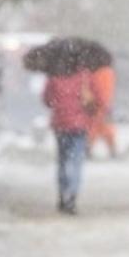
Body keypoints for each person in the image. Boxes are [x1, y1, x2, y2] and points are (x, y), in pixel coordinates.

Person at [43, 68, 100, 214]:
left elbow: (47, 100)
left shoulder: (55, 75)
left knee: (62, 161)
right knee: (76, 162)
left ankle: (62, 195)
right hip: (79, 125)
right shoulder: (86, 75)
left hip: (61, 125)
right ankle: (72, 196)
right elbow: (97, 99)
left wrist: (60, 103)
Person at [86, 64, 118, 158]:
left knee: (94, 129)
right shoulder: (107, 73)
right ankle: (112, 151)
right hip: (100, 107)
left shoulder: (93, 72)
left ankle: (88, 150)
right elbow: (105, 91)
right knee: (104, 130)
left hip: (96, 107)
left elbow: (100, 91)